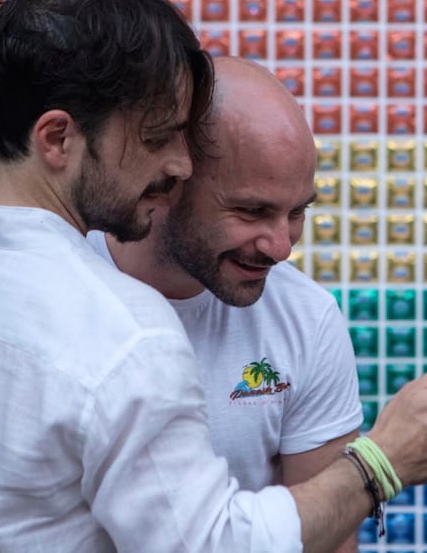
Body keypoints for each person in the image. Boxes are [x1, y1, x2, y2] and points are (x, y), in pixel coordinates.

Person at [0, 0, 427, 552]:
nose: (176, 165)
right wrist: (384, 460)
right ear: (59, 138)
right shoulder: (125, 333)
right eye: (155, 138)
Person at [90, 57, 361, 550]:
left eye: (297, 212)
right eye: (252, 211)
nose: (281, 247)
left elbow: (329, 540)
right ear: (170, 180)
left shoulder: (307, 318)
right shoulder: (63, 297)